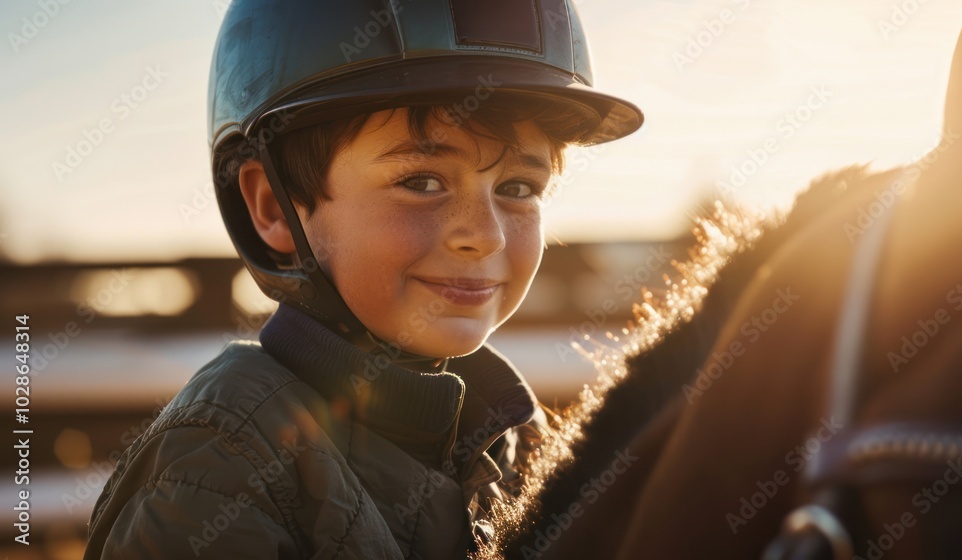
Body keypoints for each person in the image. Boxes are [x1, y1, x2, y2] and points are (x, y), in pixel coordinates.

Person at [83, 1, 643, 558]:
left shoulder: (516, 433)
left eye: (518, 188)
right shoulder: (219, 465)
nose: (486, 235)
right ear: (275, 207)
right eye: (422, 181)